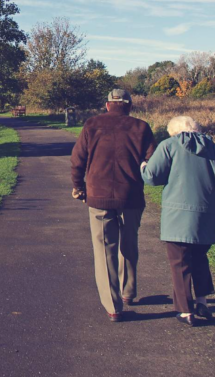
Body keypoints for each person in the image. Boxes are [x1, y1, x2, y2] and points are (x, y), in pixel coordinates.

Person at [140, 116, 215, 327]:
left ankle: (185, 310)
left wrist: (143, 166)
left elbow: (152, 177)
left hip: (177, 217)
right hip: (207, 217)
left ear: (173, 132)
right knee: (199, 257)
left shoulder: (169, 146)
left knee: (180, 262)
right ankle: (202, 301)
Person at [70, 89, 156, 322]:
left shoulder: (92, 125)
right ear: (129, 106)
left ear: (107, 105)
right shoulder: (141, 127)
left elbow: (77, 159)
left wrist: (78, 186)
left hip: (99, 197)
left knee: (104, 250)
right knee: (129, 244)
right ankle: (128, 292)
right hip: (131, 197)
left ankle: (113, 306)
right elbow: (152, 162)